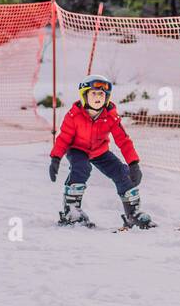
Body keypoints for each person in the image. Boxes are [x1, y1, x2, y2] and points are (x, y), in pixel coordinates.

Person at [48, 75, 151, 229]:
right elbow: (63, 138)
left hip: (99, 151)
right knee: (81, 168)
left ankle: (133, 214)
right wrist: (56, 158)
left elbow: (123, 140)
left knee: (122, 172)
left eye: (102, 94)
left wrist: (133, 163)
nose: (98, 97)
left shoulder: (110, 116)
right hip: (77, 149)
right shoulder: (73, 116)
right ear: (84, 96)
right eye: (94, 93)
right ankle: (71, 211)